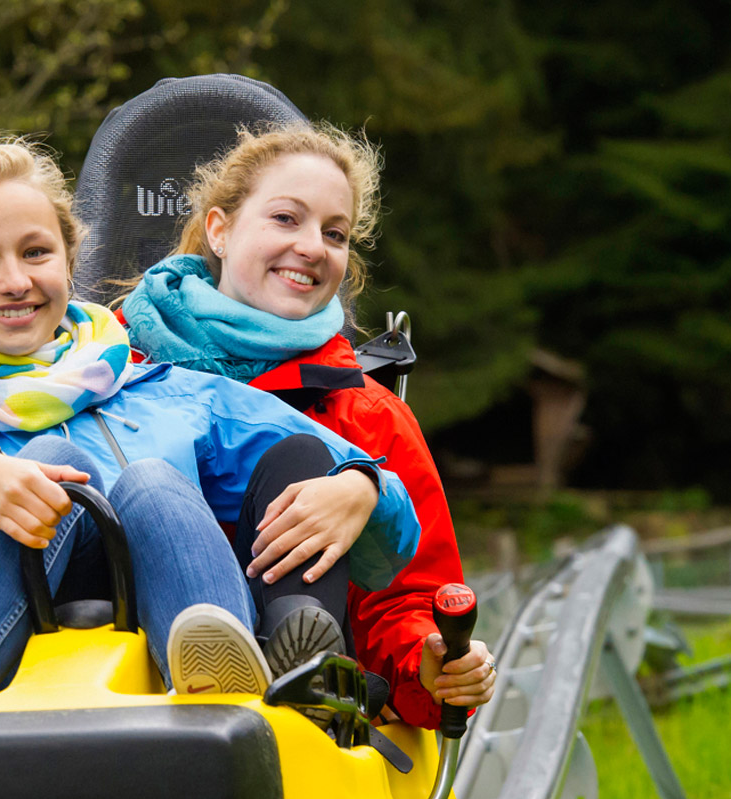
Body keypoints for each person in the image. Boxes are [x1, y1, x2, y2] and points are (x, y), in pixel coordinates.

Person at [0, 134, 422, 712]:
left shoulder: (165, 390)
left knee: (151, 479)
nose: (15, 281)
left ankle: (219, 668)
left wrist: (364, 487)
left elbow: (343, 471)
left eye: (36, 252)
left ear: (69, 259)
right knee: (47, 468)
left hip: (170, 650)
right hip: (16, 669)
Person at [120, 123, 497, 728]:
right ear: (219, 229)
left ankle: (302, 669)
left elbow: (405, 599)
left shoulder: (366, 415)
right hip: (110, 666)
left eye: (334, 233)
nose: (314, 247)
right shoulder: (102, 368)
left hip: (303, 705)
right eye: (286, 220)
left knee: (305, 457)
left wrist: (427, 665)